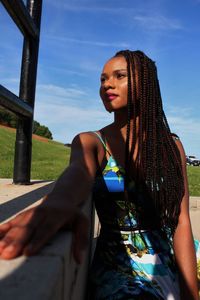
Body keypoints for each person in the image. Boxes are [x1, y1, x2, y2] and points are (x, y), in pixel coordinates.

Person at [0, 50, 199, 299]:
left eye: (119, 76)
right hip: (120, 266)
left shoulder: (171, 146)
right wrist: (58, 202)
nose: (107, 84)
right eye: (103, 79)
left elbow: (181, 222)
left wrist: (191, 293)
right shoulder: (92, 141)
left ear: (145, 82)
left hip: (168, 256)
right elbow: (77, 173)